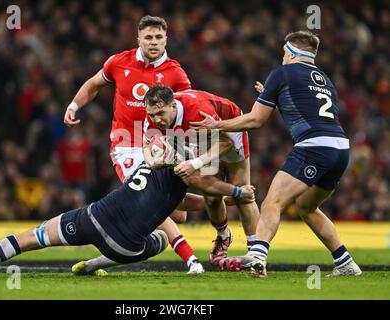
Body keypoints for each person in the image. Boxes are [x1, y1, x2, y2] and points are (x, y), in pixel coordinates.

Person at [190, 30, 362, 277]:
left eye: (284, 54)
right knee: (306, 207)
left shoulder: (282, 74)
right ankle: (345, 263)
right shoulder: (325, 79)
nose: (282, 59)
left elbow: (255, 121)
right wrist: (270, 93)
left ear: (291, 54)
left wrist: (215, 125)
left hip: (313, 147)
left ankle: (257, 256)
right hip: (340, 148)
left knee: (273, 202)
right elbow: (305, 107)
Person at [0, 161, 255, 279]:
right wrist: (237, 193)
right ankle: (92, 265)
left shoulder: (153, 165)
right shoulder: (184, 176)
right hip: (123, 247)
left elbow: (190, 202)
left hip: (92, 217)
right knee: (160, 237)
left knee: (29, 238)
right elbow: (202, 197)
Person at [63, 15, 205, 273]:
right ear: (138, 39)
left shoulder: (175, 72)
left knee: (179, 213)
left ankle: (224, 200)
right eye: (148, 37)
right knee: (152, 200)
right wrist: (74, 105)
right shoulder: (119, 62)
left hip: (161, 144)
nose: (153, 42)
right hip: (126, 143)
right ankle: (191, 258)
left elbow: (188, 106)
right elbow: (94, 84)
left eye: (158, 37)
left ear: (166, 40)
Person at [142, 85, 260, 268]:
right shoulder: (152, 114)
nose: (156, 120)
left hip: (230, 130)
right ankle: (223, 236)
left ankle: (256, 253)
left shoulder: (197, 110)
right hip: (201, 138)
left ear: (173, 107)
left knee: (243, 196)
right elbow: (145, 142)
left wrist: (195, 163)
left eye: (160, 113)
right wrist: (152, 162)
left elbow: (226, 142)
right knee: (211, 198)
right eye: (151, 115)